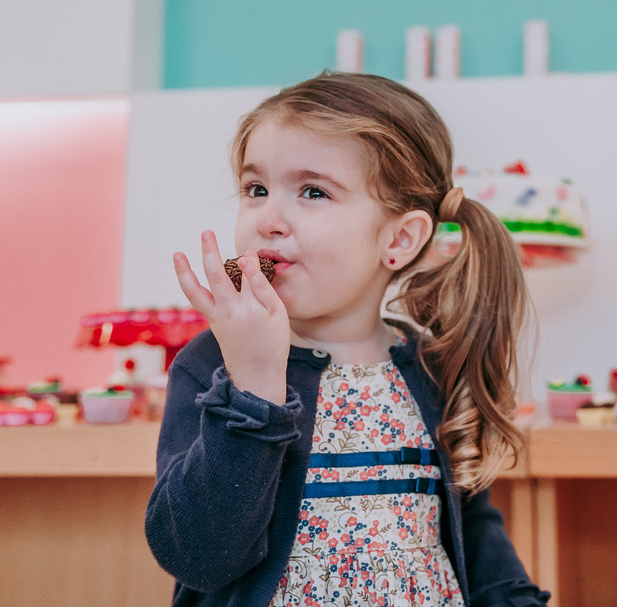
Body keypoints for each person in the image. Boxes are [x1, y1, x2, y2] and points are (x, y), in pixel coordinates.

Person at [145, 71, 550, 607]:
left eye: (313, 191)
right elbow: (197, 555)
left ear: (400, 238)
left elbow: (473, 533)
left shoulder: (432, 366)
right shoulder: (213, 364)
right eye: (256, 189)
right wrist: (254, 389)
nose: (268, 219)